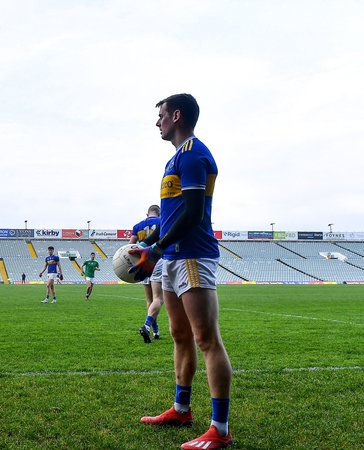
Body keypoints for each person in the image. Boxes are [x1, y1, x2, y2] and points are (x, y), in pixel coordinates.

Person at [131, 94, 232, 449]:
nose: (157, 122)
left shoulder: (192, 155)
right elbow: (173, 218)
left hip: (192, 256)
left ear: (176, 116)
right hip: (172, 256)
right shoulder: (176, 157)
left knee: (207, 339)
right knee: (179, 335)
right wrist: (151, 247)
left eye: (160, 116)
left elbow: (191, 215)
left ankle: (219, 429)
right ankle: (181, 408)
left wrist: (155, 249)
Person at [130, 205, 164, 343]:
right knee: (158, 299)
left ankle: (155, 331)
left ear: (147, 213)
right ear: (159, 213)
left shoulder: (138, 226)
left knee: (149, 300)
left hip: (143, 263)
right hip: (158, 260)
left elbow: (131, 245)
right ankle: (147, 326)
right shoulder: (162, 222)